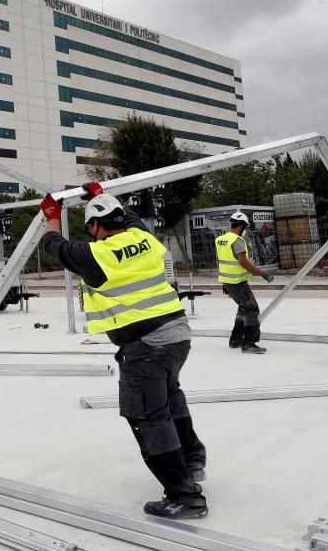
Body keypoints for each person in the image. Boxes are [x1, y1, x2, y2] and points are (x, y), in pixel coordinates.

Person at [40, 182, 207, 520]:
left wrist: (51, 216)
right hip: (177, 337)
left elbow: (52, 244)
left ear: (95, 226)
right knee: (170, 399)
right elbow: (132, 219)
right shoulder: (145, 239)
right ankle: (191, 462)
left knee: (147, 416)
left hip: (146, 347)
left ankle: (184, 496)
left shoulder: (97, 255)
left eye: (92, 228)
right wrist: (100, 195)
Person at [215, 212, 274, 354]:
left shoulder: (220, 239)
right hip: (237, 282)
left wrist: (225, 283)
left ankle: (235, 340)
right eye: (245, 226)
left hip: (229, 282)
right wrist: (262, 273)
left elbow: (222, 261)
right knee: (252, 310)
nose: (245, 229)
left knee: (243, 309)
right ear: (241, 225)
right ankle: (249, 343)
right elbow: (243, 262)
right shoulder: (237, 240)